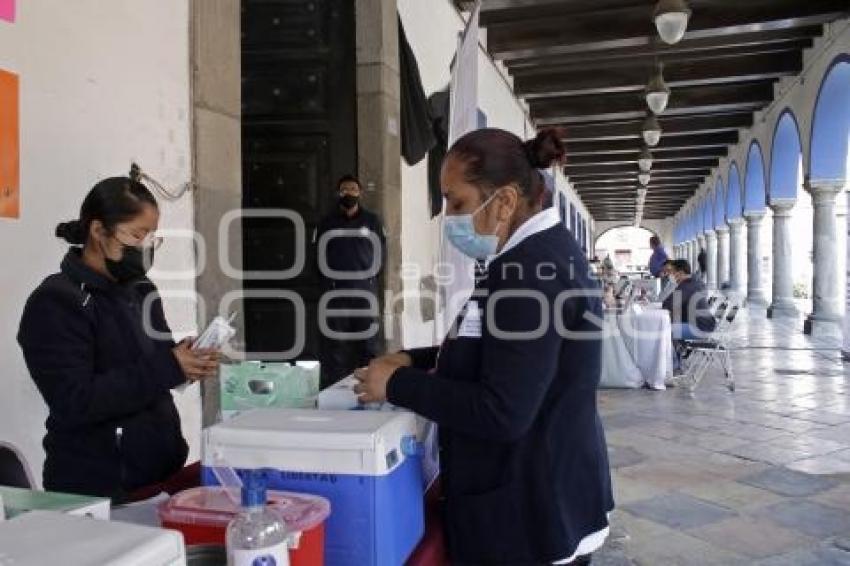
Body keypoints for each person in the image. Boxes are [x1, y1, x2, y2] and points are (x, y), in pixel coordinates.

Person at [353, 128, 614, 565]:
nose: (449, 217)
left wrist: (397, 385)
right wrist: (414, 359)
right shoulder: (534, 255)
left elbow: (503, 409)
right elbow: (493, 348)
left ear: (506, 201)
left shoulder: (529, 271)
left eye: (457, 202)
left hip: (527, 510)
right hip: (543, 488)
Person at [17, 175, 220, 500]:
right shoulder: (56, 302)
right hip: (98, 488)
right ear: (98, 231)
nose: (146, 247)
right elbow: (74, 401)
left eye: (153, 237)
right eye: (137, 235)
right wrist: (168, 365)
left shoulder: (141, 290)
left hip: (159, 473)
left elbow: (157, 361)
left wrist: (186, 361)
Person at [314, 174, 386, 387]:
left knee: (369, 344)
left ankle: (369, 386)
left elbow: (381, 254)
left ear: (360, 193)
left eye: (353, 189)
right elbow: (317, 256)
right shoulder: (326, 223)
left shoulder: (372, 221)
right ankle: (336, 390)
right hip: (336, 293)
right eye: (345, 189)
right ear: (339, 193)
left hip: (364, 291)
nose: (349, 193)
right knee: (336, 344)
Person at [662, 259, 717, 340]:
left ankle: (676, 352)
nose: (670, 275)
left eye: (672, 272)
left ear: (680, 273)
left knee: (664, 330)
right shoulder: (695, 282)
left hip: (700, 328)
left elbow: (667, 305)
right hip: (706, 324)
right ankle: (679, 350)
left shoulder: (687, 286)